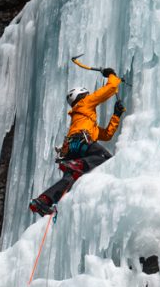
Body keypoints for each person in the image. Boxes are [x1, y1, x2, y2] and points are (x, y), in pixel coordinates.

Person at [29, 68, 125, 216]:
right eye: (87, 95)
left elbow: (106, 135)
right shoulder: (85, 103)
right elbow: (111, 87)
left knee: (69, 179)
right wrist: (111, 75)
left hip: (71, 149)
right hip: (81, 143)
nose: (89, 96)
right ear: (82, 96)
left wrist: (116, 115)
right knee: (105, 158)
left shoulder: (84, 120)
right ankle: (78, 164)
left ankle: (43, 200)